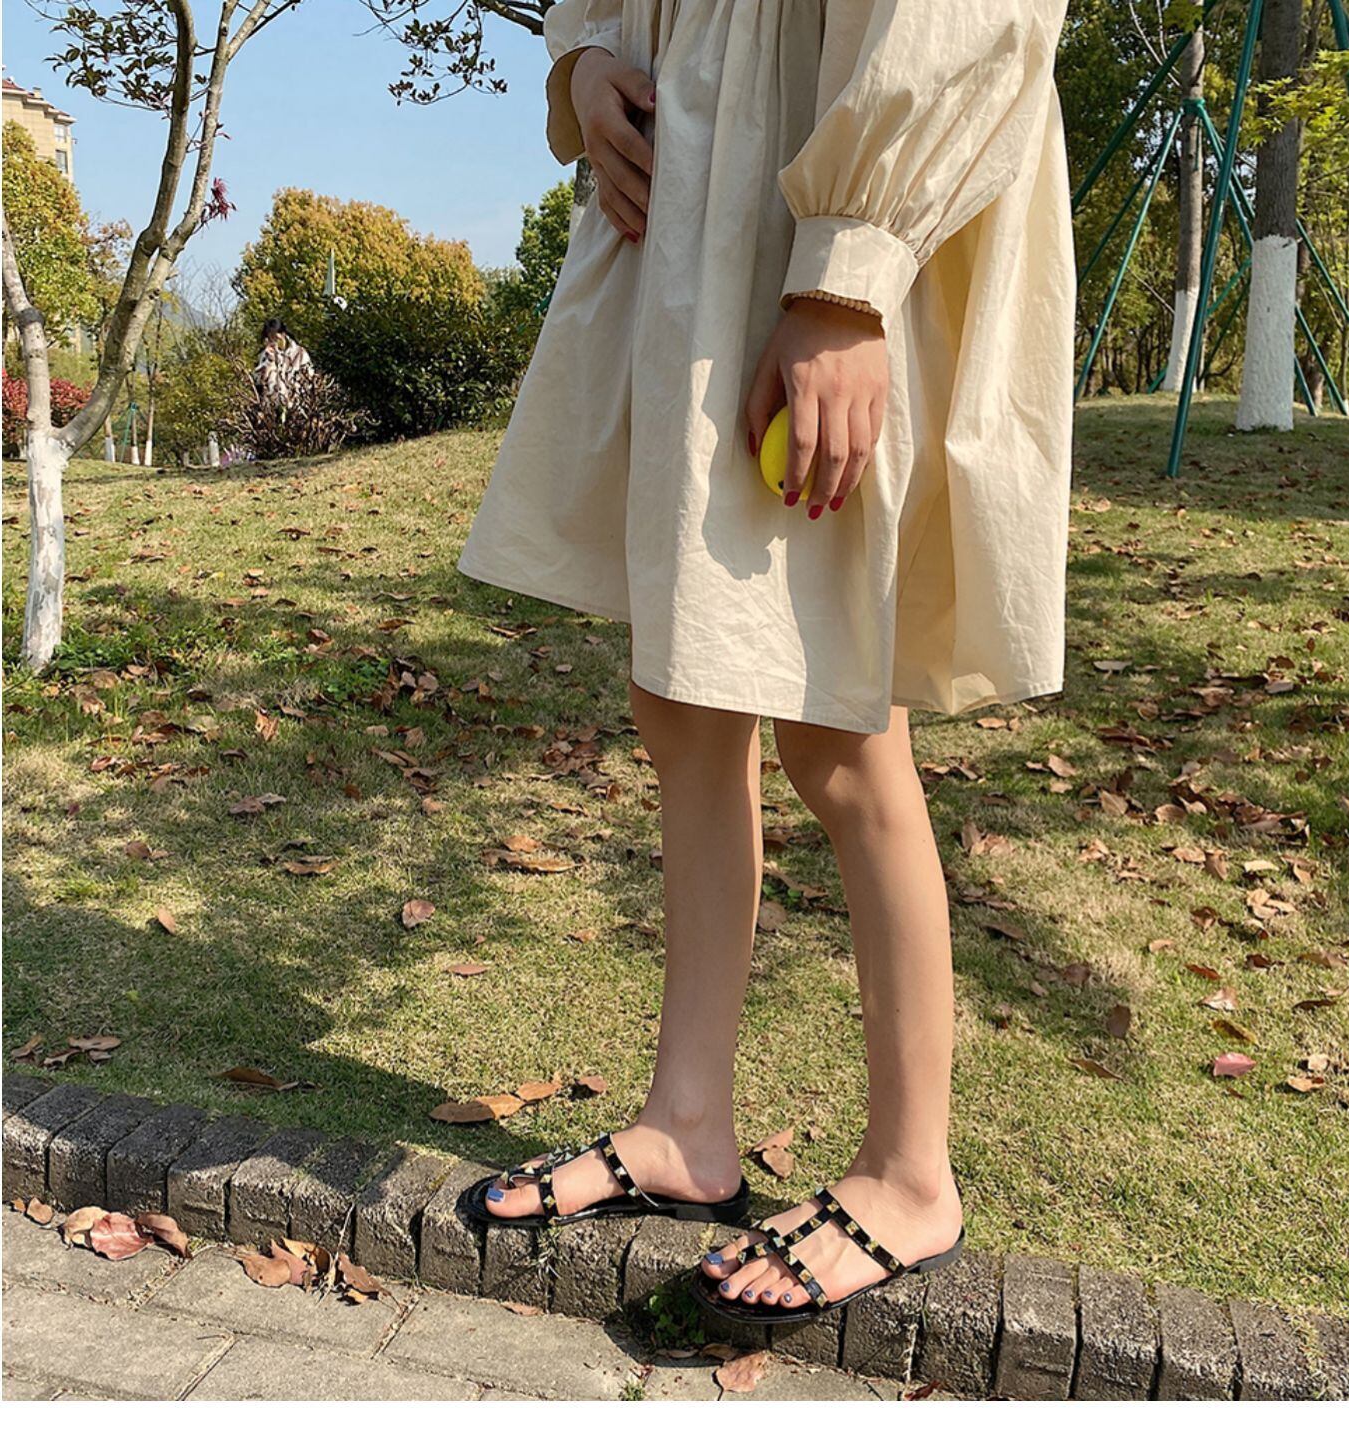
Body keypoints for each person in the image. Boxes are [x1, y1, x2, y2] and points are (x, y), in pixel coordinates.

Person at [457, 0, 1074, 1325]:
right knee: (679, 696)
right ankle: (687, 1121)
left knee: (839, 720)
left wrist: (849, 270)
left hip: (828, 182)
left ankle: (910, 1174)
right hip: (695, 194)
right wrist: (586, 60)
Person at [253, 317, 314, 406]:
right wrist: (269, 363)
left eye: (275, 337)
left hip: (296, 405)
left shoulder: (300, 353)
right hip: (271, 405)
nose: (273, 341)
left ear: (283, 334)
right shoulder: (265, 354)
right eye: (270, 338)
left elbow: (309, 378)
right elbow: (257, 381)